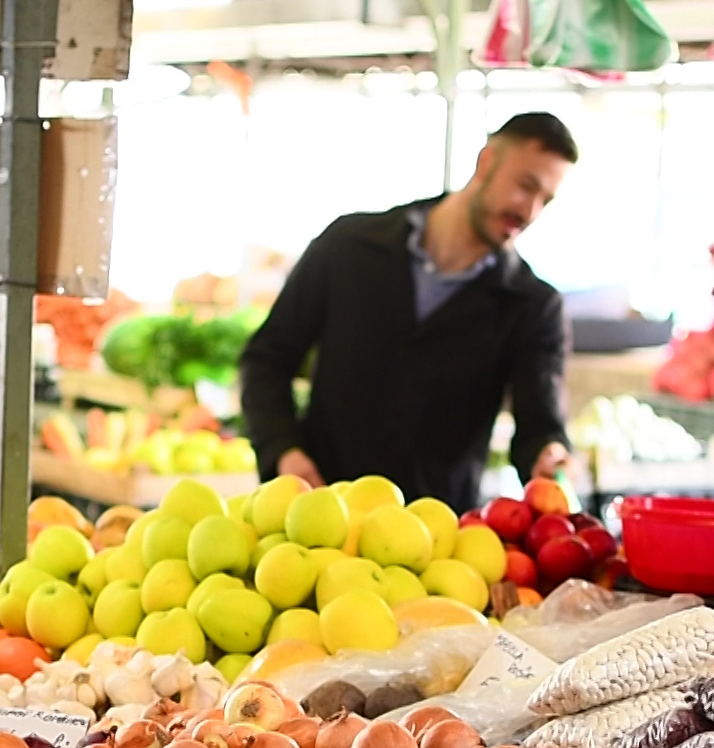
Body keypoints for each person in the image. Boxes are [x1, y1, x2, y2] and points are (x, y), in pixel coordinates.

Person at [239, 113, 579, 513]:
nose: (530, 211)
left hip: (440, 536)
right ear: (486, 162)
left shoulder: (533, 305)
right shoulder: (348, 247)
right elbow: (267, 359)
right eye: (526, 186)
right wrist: (284, 451)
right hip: (321, 517)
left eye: (545, 200)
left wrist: (549, 456)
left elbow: (540, 425)